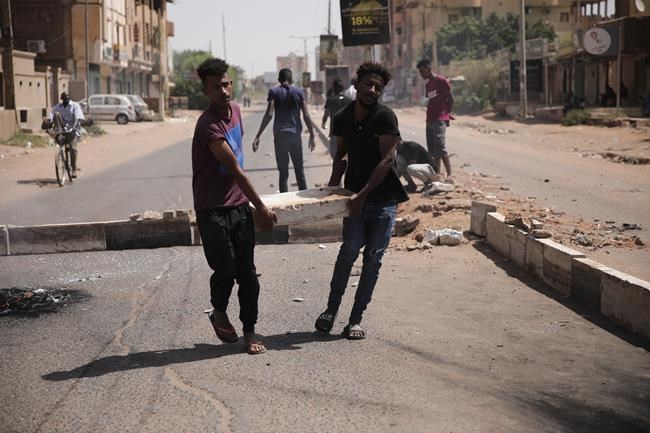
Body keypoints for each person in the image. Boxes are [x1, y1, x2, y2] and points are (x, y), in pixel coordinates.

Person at [314, 62, 409, 340]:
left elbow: (387, 160)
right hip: (354, 197)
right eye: (368, 84)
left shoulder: (385, 117)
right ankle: (330, 311)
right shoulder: (342, 117)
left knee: (372, 260)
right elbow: (341, 155)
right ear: (356, 84)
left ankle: (355, 320)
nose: (373, 90)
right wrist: (332, 189)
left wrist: (362, 195)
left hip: (383, 200)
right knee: (348, 252)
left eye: (378, 87)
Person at [192, 57, 278, 355]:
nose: (223, 91)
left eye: (226, 84)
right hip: (211, 208)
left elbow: (239, 160)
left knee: (249, 275)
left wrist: (249, 204)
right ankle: (218, 312)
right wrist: (261, 207)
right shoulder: (208, 125)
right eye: (216, 87)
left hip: (238, 205)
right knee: (225, 270)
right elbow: (236, 169)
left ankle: (250, 330)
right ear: (206, 91)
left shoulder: (237, 111)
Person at [252, 68, 316, 192]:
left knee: (283, 173)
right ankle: (304, 198)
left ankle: (283, 199)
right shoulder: (299, 92)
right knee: (299, 171)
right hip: (295, 136)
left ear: (279, 80)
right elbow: (306, 115)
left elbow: (269, 115)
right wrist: (312, 135)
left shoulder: (274, 92)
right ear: (291, 80)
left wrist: (258, 135)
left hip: (280, 136)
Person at [416, 58, 454, 180]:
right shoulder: (428, 85)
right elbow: (431, 101)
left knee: (440, 146)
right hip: (430, 119)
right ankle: (437, 174)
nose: (421, 74)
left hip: (440, 118)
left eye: (423, 71)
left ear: (428, 69)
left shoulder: (441, 81)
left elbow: (450, 99)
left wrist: (447, 114)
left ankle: (449, 175)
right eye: (420, 72)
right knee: (432, 149)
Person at [48, 92, 85, 178]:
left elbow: (77, 118)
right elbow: (51, 116)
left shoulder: (75, 105)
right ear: (62, 99)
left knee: (73, 149)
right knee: (56, 114)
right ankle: (61, 156)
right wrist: (49, 122)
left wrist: (73, 127)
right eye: (64, 98)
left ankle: (74, 168)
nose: (66, 100)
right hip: (62, 131)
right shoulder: (58, 107)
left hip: (72, 131)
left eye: (67, 98)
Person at [322, 78, 353, 158]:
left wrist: (323, 123)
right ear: (343, 88)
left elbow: (326, 114)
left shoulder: (330, 100)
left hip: (334, 132)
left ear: (333, 88)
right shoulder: (350, 101)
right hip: (347, 132)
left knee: (335, 155)